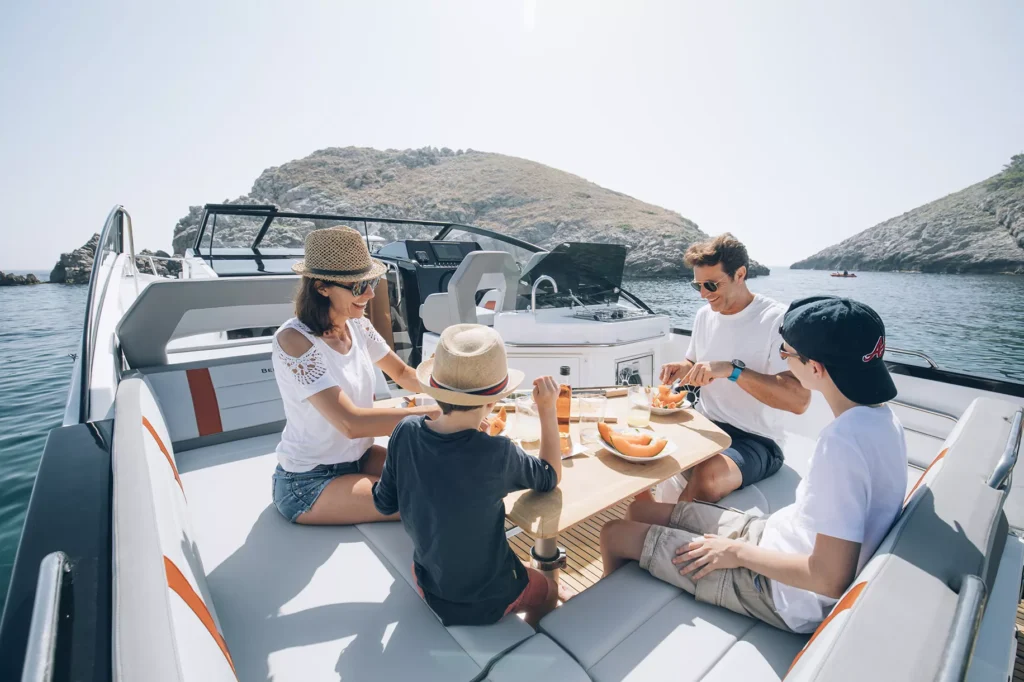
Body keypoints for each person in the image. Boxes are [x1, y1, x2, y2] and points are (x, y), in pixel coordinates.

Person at [601, 296, 907, 633]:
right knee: (641, 511)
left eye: (786, 354)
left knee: (613, 533)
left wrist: (736, 552)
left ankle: (602, 623)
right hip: (777, 538)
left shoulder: (841, 444)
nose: (782, 360)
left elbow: (828, 579)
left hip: (783, 593)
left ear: (815, 369)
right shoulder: (885, 419)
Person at [372, 324, 569, 627]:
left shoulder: (405, 432)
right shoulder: (496, 453)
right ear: (493, 401)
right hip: (488, 601)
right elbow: (549, 475)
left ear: (435, 390)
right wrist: (547, 409)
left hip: (429, 581)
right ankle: (530, 639)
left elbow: (383, 504)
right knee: (550, 590)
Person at [271, 226, 440, 525]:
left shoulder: (357, 325)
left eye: (371, 282)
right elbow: (350, 423)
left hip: (360, 458)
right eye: (359, 286)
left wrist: (458, 393)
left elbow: (402, 373)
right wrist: (441, 416)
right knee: (432, 502)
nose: (371, 293)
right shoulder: (294, 340)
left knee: (447, 476)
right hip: (308, 480)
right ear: (322, 287)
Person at [653, 233, 810, 504]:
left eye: (711, 285)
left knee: (709, 476)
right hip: (706, 423)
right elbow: (694, 362)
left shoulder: (777, 320)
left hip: (758, 440)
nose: (703, 294)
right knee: (645, 436)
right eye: (697, 285)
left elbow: (799, 401)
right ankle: (649, 516)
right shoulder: (705, 315)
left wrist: (732, 370)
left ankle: (659, 525)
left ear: (740, 274)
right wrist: (681, 368)